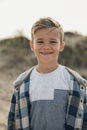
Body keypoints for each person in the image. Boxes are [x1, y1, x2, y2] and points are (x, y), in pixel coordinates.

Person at [7, 17, 87, 130]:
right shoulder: (22, 84)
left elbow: (83, 120)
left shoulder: (73, 81)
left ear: (61, 46)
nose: (46, 46)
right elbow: (13, 122)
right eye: (40, 41)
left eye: (53, 41)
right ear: (32, 45)